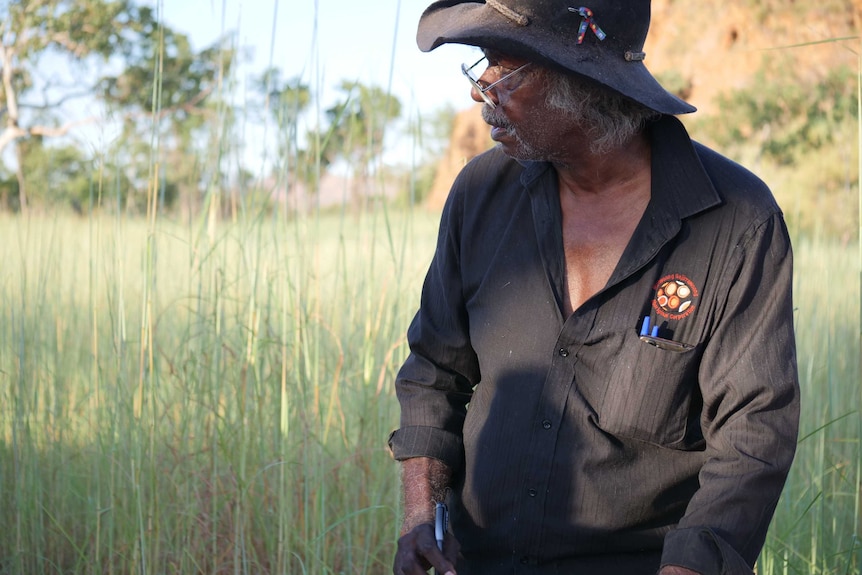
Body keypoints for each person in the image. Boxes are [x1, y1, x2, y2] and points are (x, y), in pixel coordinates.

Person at [388, 1, 800, 574]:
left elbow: (753, 435)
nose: (482, 89)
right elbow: (435, 371)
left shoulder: (735, 221)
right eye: (483, 63)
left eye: (506, 68)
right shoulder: (481, 193)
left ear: (583, 81)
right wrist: (420, 519)